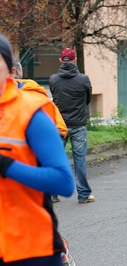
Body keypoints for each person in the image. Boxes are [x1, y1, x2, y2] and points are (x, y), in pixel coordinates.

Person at [0, 34, 75, 266]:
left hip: (30, 249)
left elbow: (64, 183)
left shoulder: (31, 111)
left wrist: (6, 166)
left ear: (9, 69)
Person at [49, 48, 94, 204]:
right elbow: (87, 99)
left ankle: (53, 194)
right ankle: (83, 194)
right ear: (74, 60)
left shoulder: (53, 79)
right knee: (79, 159)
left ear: (61, 60)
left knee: (56, 159)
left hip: (59, 126)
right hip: (79, 124)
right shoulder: (84, 79)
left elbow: (55, 99)